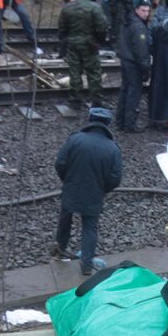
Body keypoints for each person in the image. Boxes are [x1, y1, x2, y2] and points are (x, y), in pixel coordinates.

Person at [52, 107, 124, 276]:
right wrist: (102, 189)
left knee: (65, 219)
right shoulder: (113, 148)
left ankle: (59, 249)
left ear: (90, 120)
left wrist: (68, 180)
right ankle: (86, 265)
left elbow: (60, 164)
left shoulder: (75, 139)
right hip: (95, 193)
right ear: (107, 124)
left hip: (71, 187)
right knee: (89, 227)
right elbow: (115, 178)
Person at [58, 0, 109, 104]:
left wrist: (65, 40)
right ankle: (96, 98)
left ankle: (75, 98)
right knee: (93, 71)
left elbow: (62, 27)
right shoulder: (95, 7)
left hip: (73, 44)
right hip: (90, 45)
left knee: (75, 71)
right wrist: (99, 40)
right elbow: (103, 27)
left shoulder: (68, 7)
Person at [115, 0, 152, 132]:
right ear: (136, 9)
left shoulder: (128, 21)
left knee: (125, 91)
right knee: (133, 93)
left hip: (126, 61)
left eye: (147, 11)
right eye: (143, 10)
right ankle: (129, 124)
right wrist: (146, 70)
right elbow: (141, 52)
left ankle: (120, 121)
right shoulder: (138, 27)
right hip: (134, 64)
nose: (146, 14)